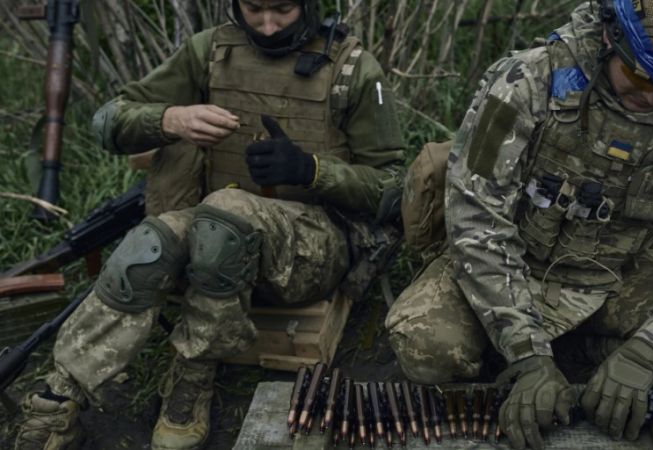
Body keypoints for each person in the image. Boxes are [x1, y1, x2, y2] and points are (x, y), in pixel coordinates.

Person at [15, 1, 404, 449]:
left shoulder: (353, 68)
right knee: (150, 242)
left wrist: (311, 171)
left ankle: (192, 376)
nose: (269, 25)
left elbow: (393, 188)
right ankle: (59, 396)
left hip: (312, 249)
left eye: (283, 9)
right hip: (214, 234)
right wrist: (169, 119)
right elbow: (107, 121)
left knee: (226, 212)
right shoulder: (211, 51)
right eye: (254, 9)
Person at [386, 0, 653, 448]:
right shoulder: (528, 81)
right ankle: (541, 361)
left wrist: (647, 352)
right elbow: (476, 221)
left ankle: (592, 359)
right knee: (426, 346)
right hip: (513, 265)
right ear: (609, 37)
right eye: (640, 77)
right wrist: (526, 353)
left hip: (615, 278)